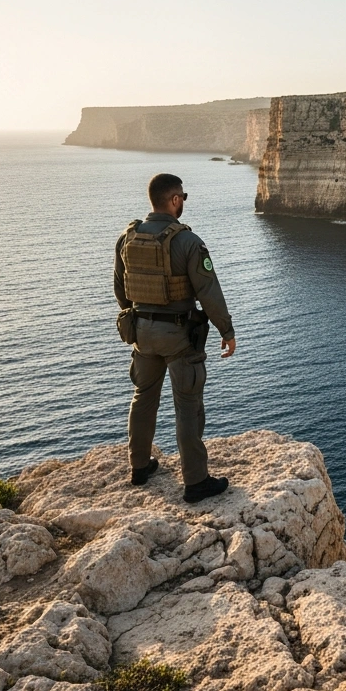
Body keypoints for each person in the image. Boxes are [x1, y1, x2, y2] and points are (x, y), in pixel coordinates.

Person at [114, 173, 236, 502]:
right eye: (183, 195)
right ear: (174, 200)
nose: (184, 201)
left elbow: (120, 290)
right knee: (188, 406)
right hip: (179, 336)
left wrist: (140, 316)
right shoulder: (187, 242)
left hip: (141, 333)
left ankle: (140, 467)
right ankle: (196, 482)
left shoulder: (128, 237)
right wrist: (227, 330)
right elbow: (209, 291)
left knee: (143, 398)